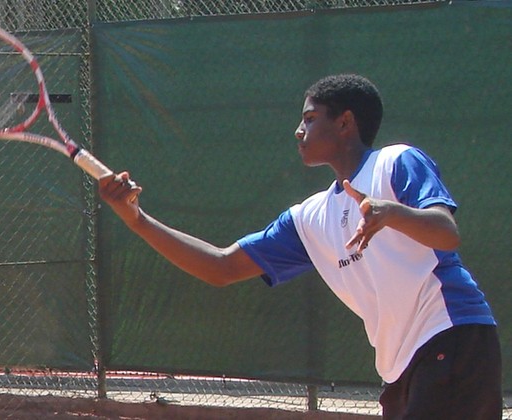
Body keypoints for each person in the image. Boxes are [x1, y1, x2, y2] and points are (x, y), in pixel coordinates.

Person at [98, 74, 502, 419]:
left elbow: (447, 232)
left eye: (310, 119)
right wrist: (137, 219)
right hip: (400, 365)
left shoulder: (396, 162)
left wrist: (391, 213)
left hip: (452, 334)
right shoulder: (310, 218)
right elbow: (219, 267)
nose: (298, 130)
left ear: (345, 123)